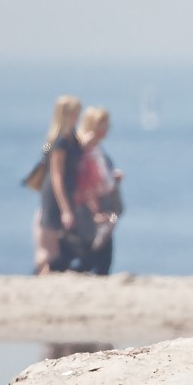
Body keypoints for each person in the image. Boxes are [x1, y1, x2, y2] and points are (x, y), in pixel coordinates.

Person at [34, 95, 84, 274]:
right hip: (56, 197)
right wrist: (65, 209)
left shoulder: (73, 138)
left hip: (68, 194)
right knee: (50, 251)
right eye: (74, 114)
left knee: (64, 248)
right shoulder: (60, 142)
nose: (78, 117)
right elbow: (57, 177)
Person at [71, 106, 124, 276]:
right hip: (90, 209)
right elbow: (84, 183)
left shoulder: (97, 149)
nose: (107, 129)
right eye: (103, 125)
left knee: (103, 254)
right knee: (92, 255)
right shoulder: (84, 149)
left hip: (103, 206)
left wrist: (112, 179)